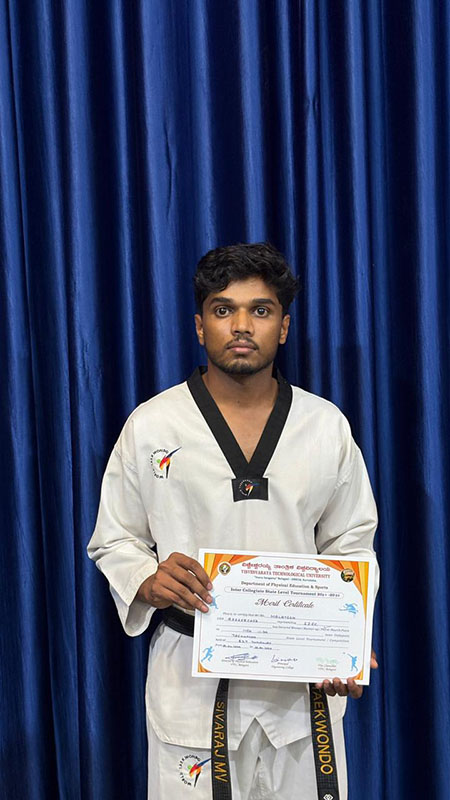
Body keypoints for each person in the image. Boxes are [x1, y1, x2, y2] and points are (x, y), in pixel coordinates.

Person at [88, 242, 378, 800]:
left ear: (284, 327)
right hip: (191, 677)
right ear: (200, 326)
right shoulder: (152, 425)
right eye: (223, 310)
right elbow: (115, 538)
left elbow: (352, 542)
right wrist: (146, 580)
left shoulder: (325, 426)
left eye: (260, 310)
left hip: (302, 682)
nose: (241, 326)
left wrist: (346, 639)